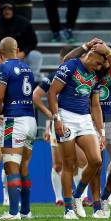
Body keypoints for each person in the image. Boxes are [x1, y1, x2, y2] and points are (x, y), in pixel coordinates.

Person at [47, 44, 106, 219]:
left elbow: (95, 105)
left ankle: (77, 195)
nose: (100, 67)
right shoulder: (70, 66)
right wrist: (56, 119)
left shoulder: (96, 75)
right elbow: (51, 93)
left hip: (85, 118)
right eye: (100, 63)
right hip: (65, 117)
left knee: (96, 161)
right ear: (92, 54)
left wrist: (101, 131)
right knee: (69, 164)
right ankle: (68, 209)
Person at [0, 37, 38, 220]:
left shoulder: (3, 68)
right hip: (31, 121)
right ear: (17, 50)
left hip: (14, 121)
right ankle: (25, 211)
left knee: (10, 165)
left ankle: (13, 212)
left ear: (0, 52)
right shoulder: (28, 68)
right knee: (23, 166)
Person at [32, 46, 90, 208]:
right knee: (59, 163)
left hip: (78, 121)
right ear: (62, 60)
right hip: (58, 122)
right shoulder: (54, 76)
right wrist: (50, 117)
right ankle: (60, 198)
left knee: (81, 159)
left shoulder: (84, 76)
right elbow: (36, 96)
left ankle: (82, 196)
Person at [0, 3, 42, 78]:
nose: (7, 11)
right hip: (3, 57)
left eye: (9, 9)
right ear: (1, 11)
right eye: (4, 9)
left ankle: (34, 79)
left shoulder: (24, 23)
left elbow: (33, 42)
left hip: (21, 55)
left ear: (13, 10)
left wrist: (24, 52)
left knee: (35, 55)